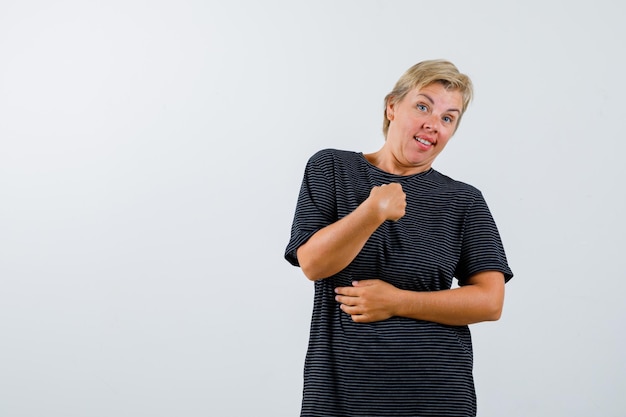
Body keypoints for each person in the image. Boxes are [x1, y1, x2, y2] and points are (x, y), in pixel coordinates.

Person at [284, 59, 513, 417]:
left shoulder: (464, 201)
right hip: (341, 396)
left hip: (437, 398)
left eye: (447, 118)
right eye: (423, 106)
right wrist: (371, 211)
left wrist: (397, 302)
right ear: (392, 106)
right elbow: (313, 264)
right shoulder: (331, 168)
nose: (432, 124)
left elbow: (490, 302)